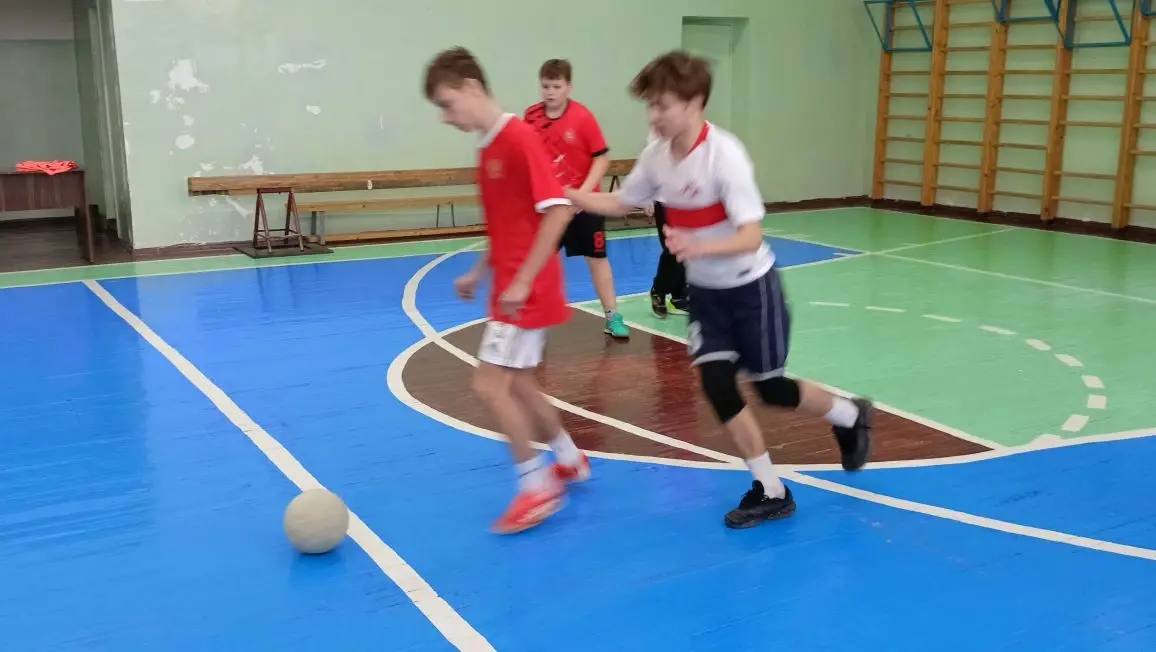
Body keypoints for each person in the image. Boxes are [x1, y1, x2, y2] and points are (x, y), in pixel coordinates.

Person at [566, 51, 873, 529]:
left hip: (751, 289)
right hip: (707, 295)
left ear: (694, 103)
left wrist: (699, 246)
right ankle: (771, 489)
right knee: (716, 384)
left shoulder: (724, 156)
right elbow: (624, 200)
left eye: (662, 105)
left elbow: (751, 235)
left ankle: (850, 415)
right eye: (650, 105)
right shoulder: (656, 157)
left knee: (771, 388)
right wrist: (569, 196)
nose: (653, 116)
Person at [423, 46, 591, 534]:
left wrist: (520, 280)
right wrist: (479, 272)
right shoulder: (488, 149)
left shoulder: (520, 139)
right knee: (519, 384)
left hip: (526, 290)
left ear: (472, 88)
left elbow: (557, 212)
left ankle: (536, 488)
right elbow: (507, 226)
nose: (445, 117)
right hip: (512, 286)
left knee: (488, 386)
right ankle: (569, 458)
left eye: (448, 104)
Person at [524, 59, 629, 339]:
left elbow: (601, 159)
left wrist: (582, 196)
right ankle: (533, 317)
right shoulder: (532, 117)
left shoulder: (583, 117)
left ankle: (612, 316)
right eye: (546, 86)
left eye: (556, 86)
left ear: (568, 87)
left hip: (585, 204)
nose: (550, 92)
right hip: (550, 206)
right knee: (540, 260)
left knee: (597, 259)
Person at [643, 128, 688, 319]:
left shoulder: (699, 130)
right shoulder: (659, 131)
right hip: (665, 201)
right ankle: (658, 291)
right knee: (673, 248)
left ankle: (679, 296)